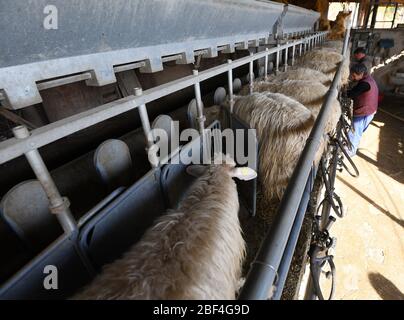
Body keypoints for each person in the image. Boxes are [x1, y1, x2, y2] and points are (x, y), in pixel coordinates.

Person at [346, 63, 379, 157]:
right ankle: (351, 147)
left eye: (354, 75)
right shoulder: (368, 79)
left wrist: (341, 92)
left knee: (355, 131)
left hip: (364, 111)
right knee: (357, 131)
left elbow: (352, 94)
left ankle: (351, 151)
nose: (352, 77)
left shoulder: (365, 84)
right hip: (368, 110)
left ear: (361, 73)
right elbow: (355, 90)